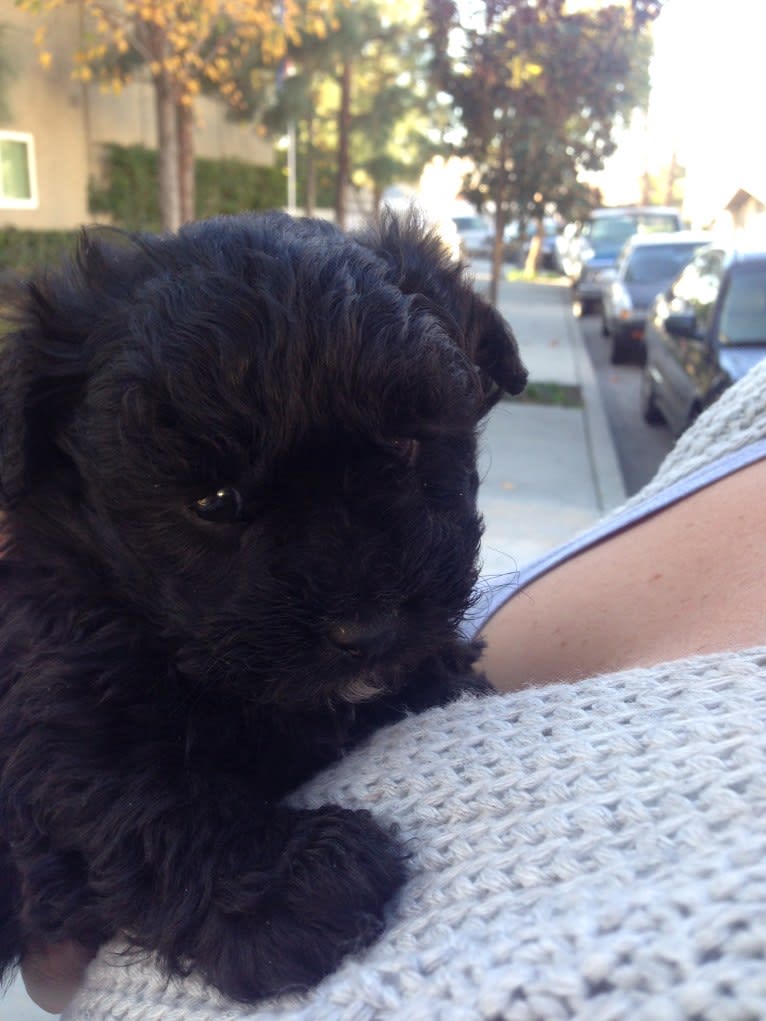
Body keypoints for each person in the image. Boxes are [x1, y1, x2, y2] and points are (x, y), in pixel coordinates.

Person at [22, 360, 766, 1019]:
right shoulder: (68, 638)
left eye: (404, 456)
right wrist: (228, 880)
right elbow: (65, 741)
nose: (360, 609)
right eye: (219, 504)